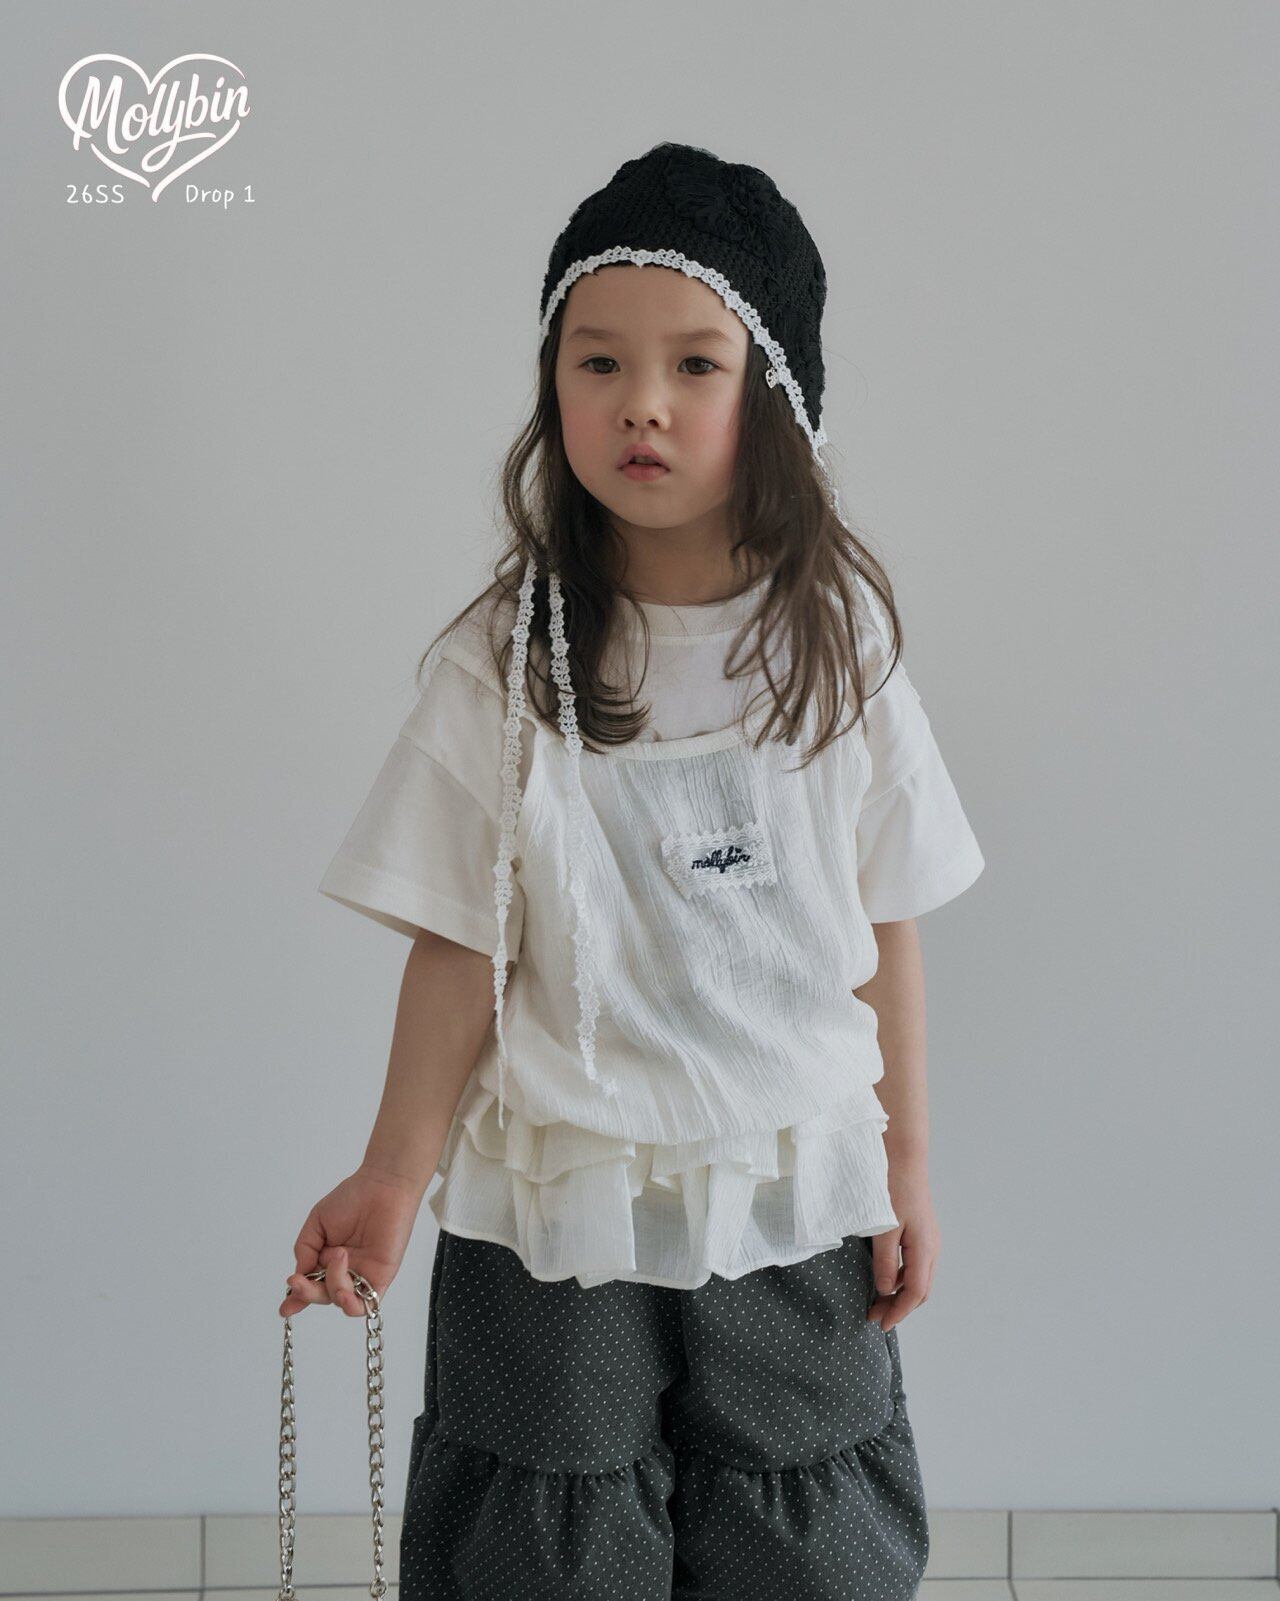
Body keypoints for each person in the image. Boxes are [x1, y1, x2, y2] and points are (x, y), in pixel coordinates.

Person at [280, 141, 985, 1600]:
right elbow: (460, 942)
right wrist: (394, 1174)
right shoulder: (507, 660)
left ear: (775, 397)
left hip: (789, 1182)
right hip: (561, 1196)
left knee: (805, 1542)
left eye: (694, 365)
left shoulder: (837, 647)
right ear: (553, 388)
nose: (639, 403)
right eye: (596, 361)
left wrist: (906, 1168)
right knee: (554, 1546)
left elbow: (886, 928)